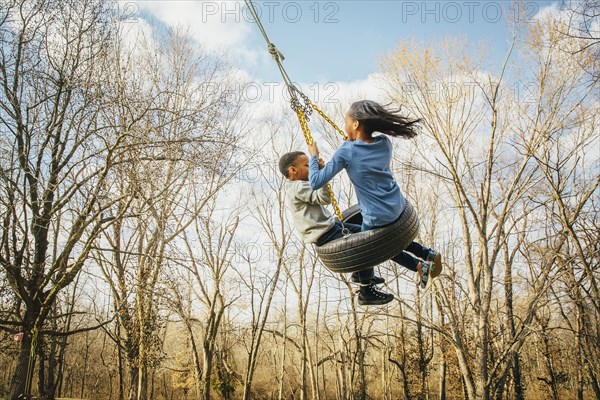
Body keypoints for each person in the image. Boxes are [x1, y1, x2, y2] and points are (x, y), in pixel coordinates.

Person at [307, 100, 442, 288]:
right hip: (398, 206)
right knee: (370, 229)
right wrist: (351, 144)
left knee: (378, 245)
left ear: (355, 124)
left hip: (378, 216)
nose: (343, 124)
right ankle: (427, 253)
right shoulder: (384, 143)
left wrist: (313, 156)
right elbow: (362, 152)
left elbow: (315, 182)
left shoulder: (346, 151)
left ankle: (419, 265)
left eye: (346, 120)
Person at [279, 151, 395, 305]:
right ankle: (367, 291)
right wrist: (321, 174)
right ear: (293, 170)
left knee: (365, 232)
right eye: (308, 165)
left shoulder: (298, 186)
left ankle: (359, 274)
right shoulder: (298, 187)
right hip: (325, 233)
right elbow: (324, 198)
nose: (311, 167)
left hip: (332, 227)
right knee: (365, 242)